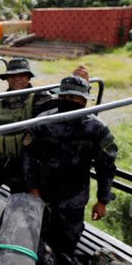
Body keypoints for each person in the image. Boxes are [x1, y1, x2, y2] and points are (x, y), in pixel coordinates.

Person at [22, 75, 117, 263]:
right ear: (58, 97)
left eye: (74, 98)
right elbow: (28, 157)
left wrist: (102, 200)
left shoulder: (96, 129)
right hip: (42, 196)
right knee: (36, 243)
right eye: (65, 97)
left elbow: (105, 167)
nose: (69, 101)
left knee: (66, 248)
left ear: (84, 101)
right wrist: (32, 189)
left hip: (73, 201)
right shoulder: (42, 122)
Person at [0, 58, 55, 200]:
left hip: (23, 166)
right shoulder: (1, 99)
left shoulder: (40, 98)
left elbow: (60, 112)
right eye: (12, 76)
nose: (17, 79)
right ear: (7, 79)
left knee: (19, 206)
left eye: (22, 75)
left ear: (28, 77)